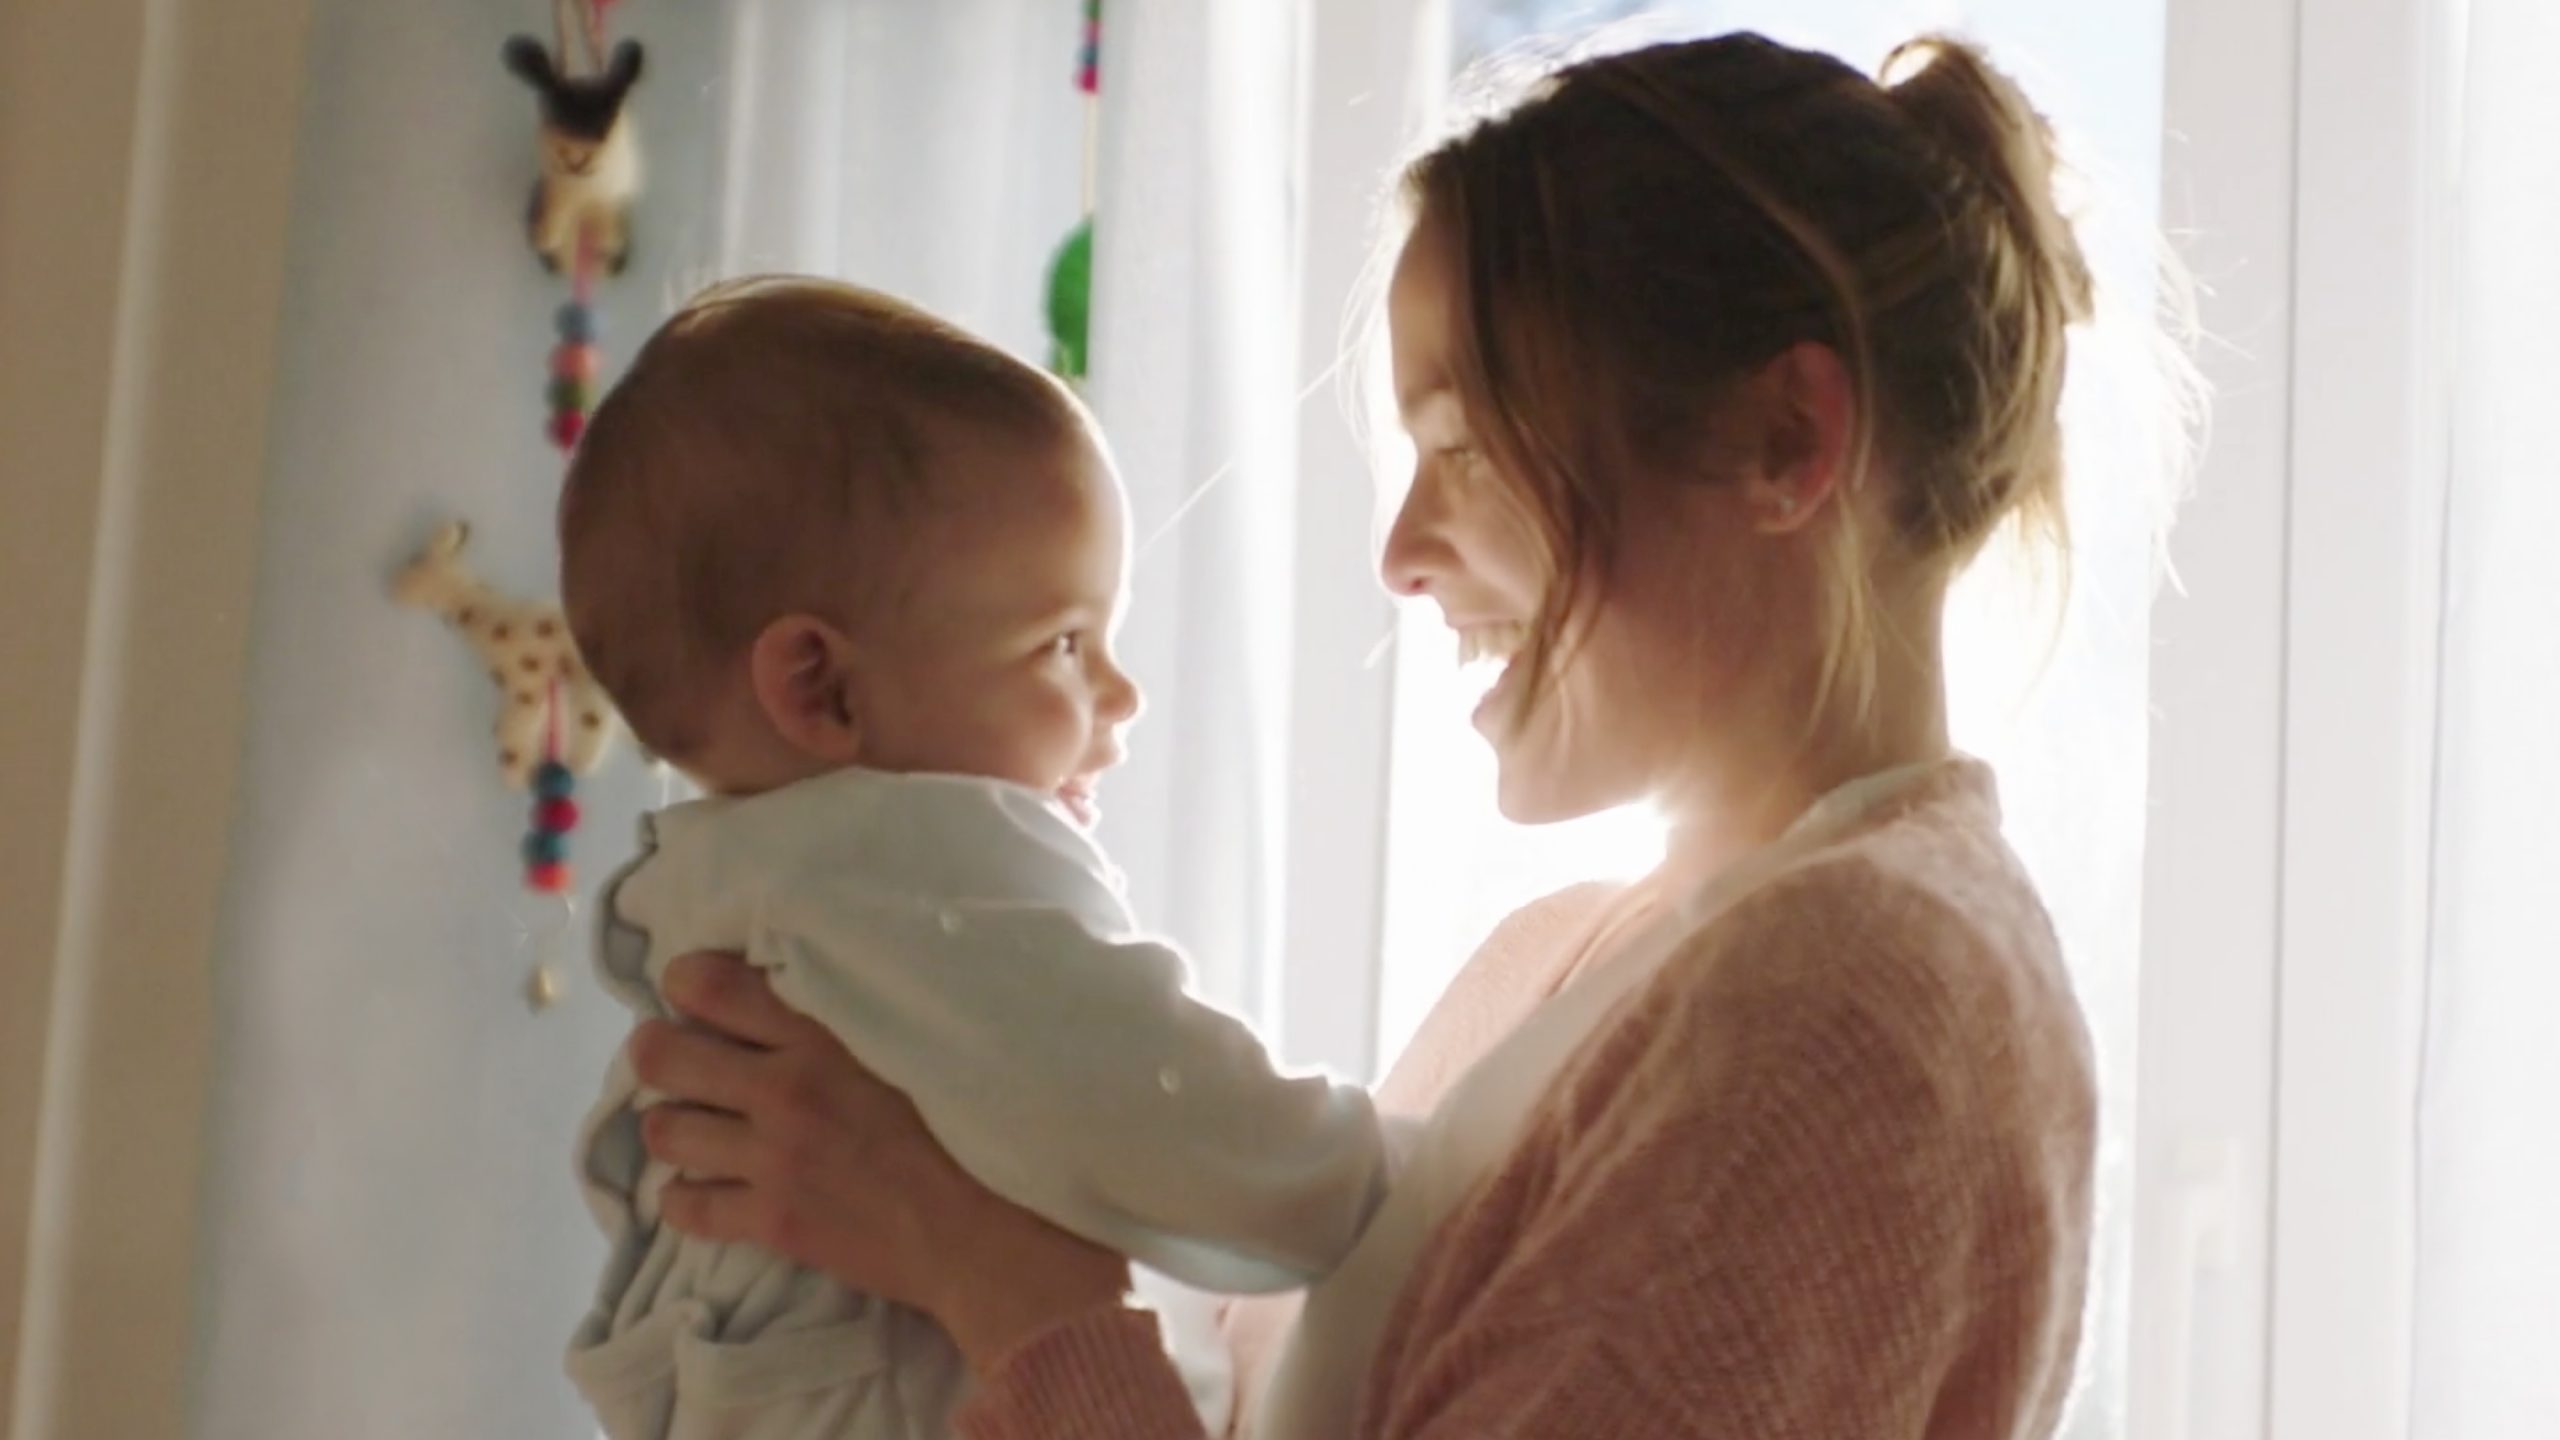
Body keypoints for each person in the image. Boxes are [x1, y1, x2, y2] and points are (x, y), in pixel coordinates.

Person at [627, 29, 2112, 1439]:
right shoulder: (1598, 954)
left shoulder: (1853, 1006)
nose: (1401, 551)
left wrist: (992, 1274)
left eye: (1463, 445)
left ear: (1785, 443)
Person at [552, 278, 1390, 1440]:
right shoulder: (921, 867)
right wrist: (1380, 1174)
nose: (1123, 694)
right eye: (1062, 642)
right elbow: (1173, 1121)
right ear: (822, 688)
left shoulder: (721, 887)